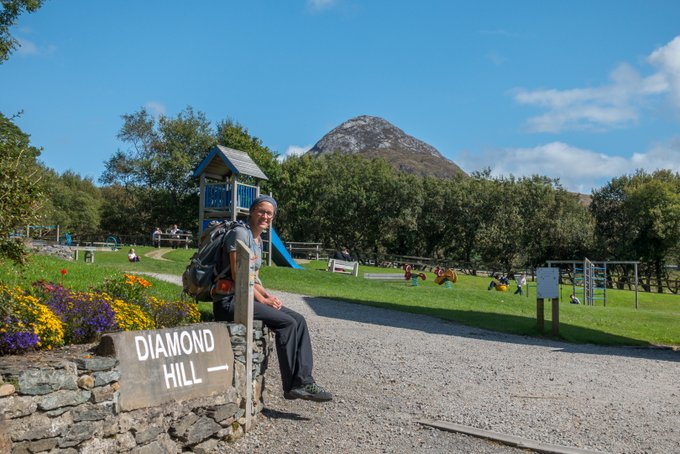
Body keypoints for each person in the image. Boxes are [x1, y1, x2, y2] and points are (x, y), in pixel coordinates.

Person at [212, 195, 333, 403]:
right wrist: (263, 300)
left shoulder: (257, 240)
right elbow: (239, 276)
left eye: (269, 213)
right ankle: (293, 386)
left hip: (246, 296)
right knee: (286, 323)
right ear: (251, 212)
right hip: (230, 301)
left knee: (300, 320)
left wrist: (268, 296)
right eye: (261, 211)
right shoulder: (240, 233)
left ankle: (305, 381)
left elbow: (253, 278)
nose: (265, 216)